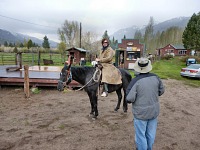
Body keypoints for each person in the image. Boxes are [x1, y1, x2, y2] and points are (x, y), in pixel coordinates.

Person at [126, 57, 165, 150]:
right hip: (154, 112)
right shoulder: (156, 77)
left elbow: (129, 98)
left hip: (140, 114)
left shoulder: (135, 81)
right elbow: (161, 91)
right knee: (150, 134)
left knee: (140, 136)